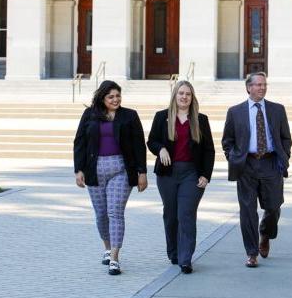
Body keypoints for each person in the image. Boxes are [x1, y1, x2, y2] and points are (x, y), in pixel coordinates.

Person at [73, 80, 148, 275]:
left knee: (115, 212)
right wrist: (78, 170)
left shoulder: (129, 116)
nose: (116, 99)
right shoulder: (90, 114)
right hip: (94, 170)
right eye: (111, 97)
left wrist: (142, 172)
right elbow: (79, 141)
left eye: (118, 96)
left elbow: (139, 144)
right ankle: (107, 248)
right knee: (101, 214)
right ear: (102, 98)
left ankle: (115, 258)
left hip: (121, 170)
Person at [221, 72, 292, 267]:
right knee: (247, 210)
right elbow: (227, 141)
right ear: (248, 88)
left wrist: (284, 157)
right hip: (246, 165)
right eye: (258, 85)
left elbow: (286, 137)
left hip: (271, 163)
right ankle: (251, 252)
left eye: (264, 84)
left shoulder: (278, 110)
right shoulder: (235, 112)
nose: (262, 87)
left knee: (274, 206)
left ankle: (265, 233)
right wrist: (235, 159)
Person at [147, 81, 215, 274]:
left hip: (191, 174)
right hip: (167, 173)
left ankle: (186, 259)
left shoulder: (201, 120)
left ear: (192, 98)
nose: (184, 97)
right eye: (181, 93)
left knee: (186, 214)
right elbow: (151, 140)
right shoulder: (162, 117)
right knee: (171, 214)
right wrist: (160, 149)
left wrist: (205, 175)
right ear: (175, 95)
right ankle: (174, 252)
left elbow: (209, 150)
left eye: (188, 94)